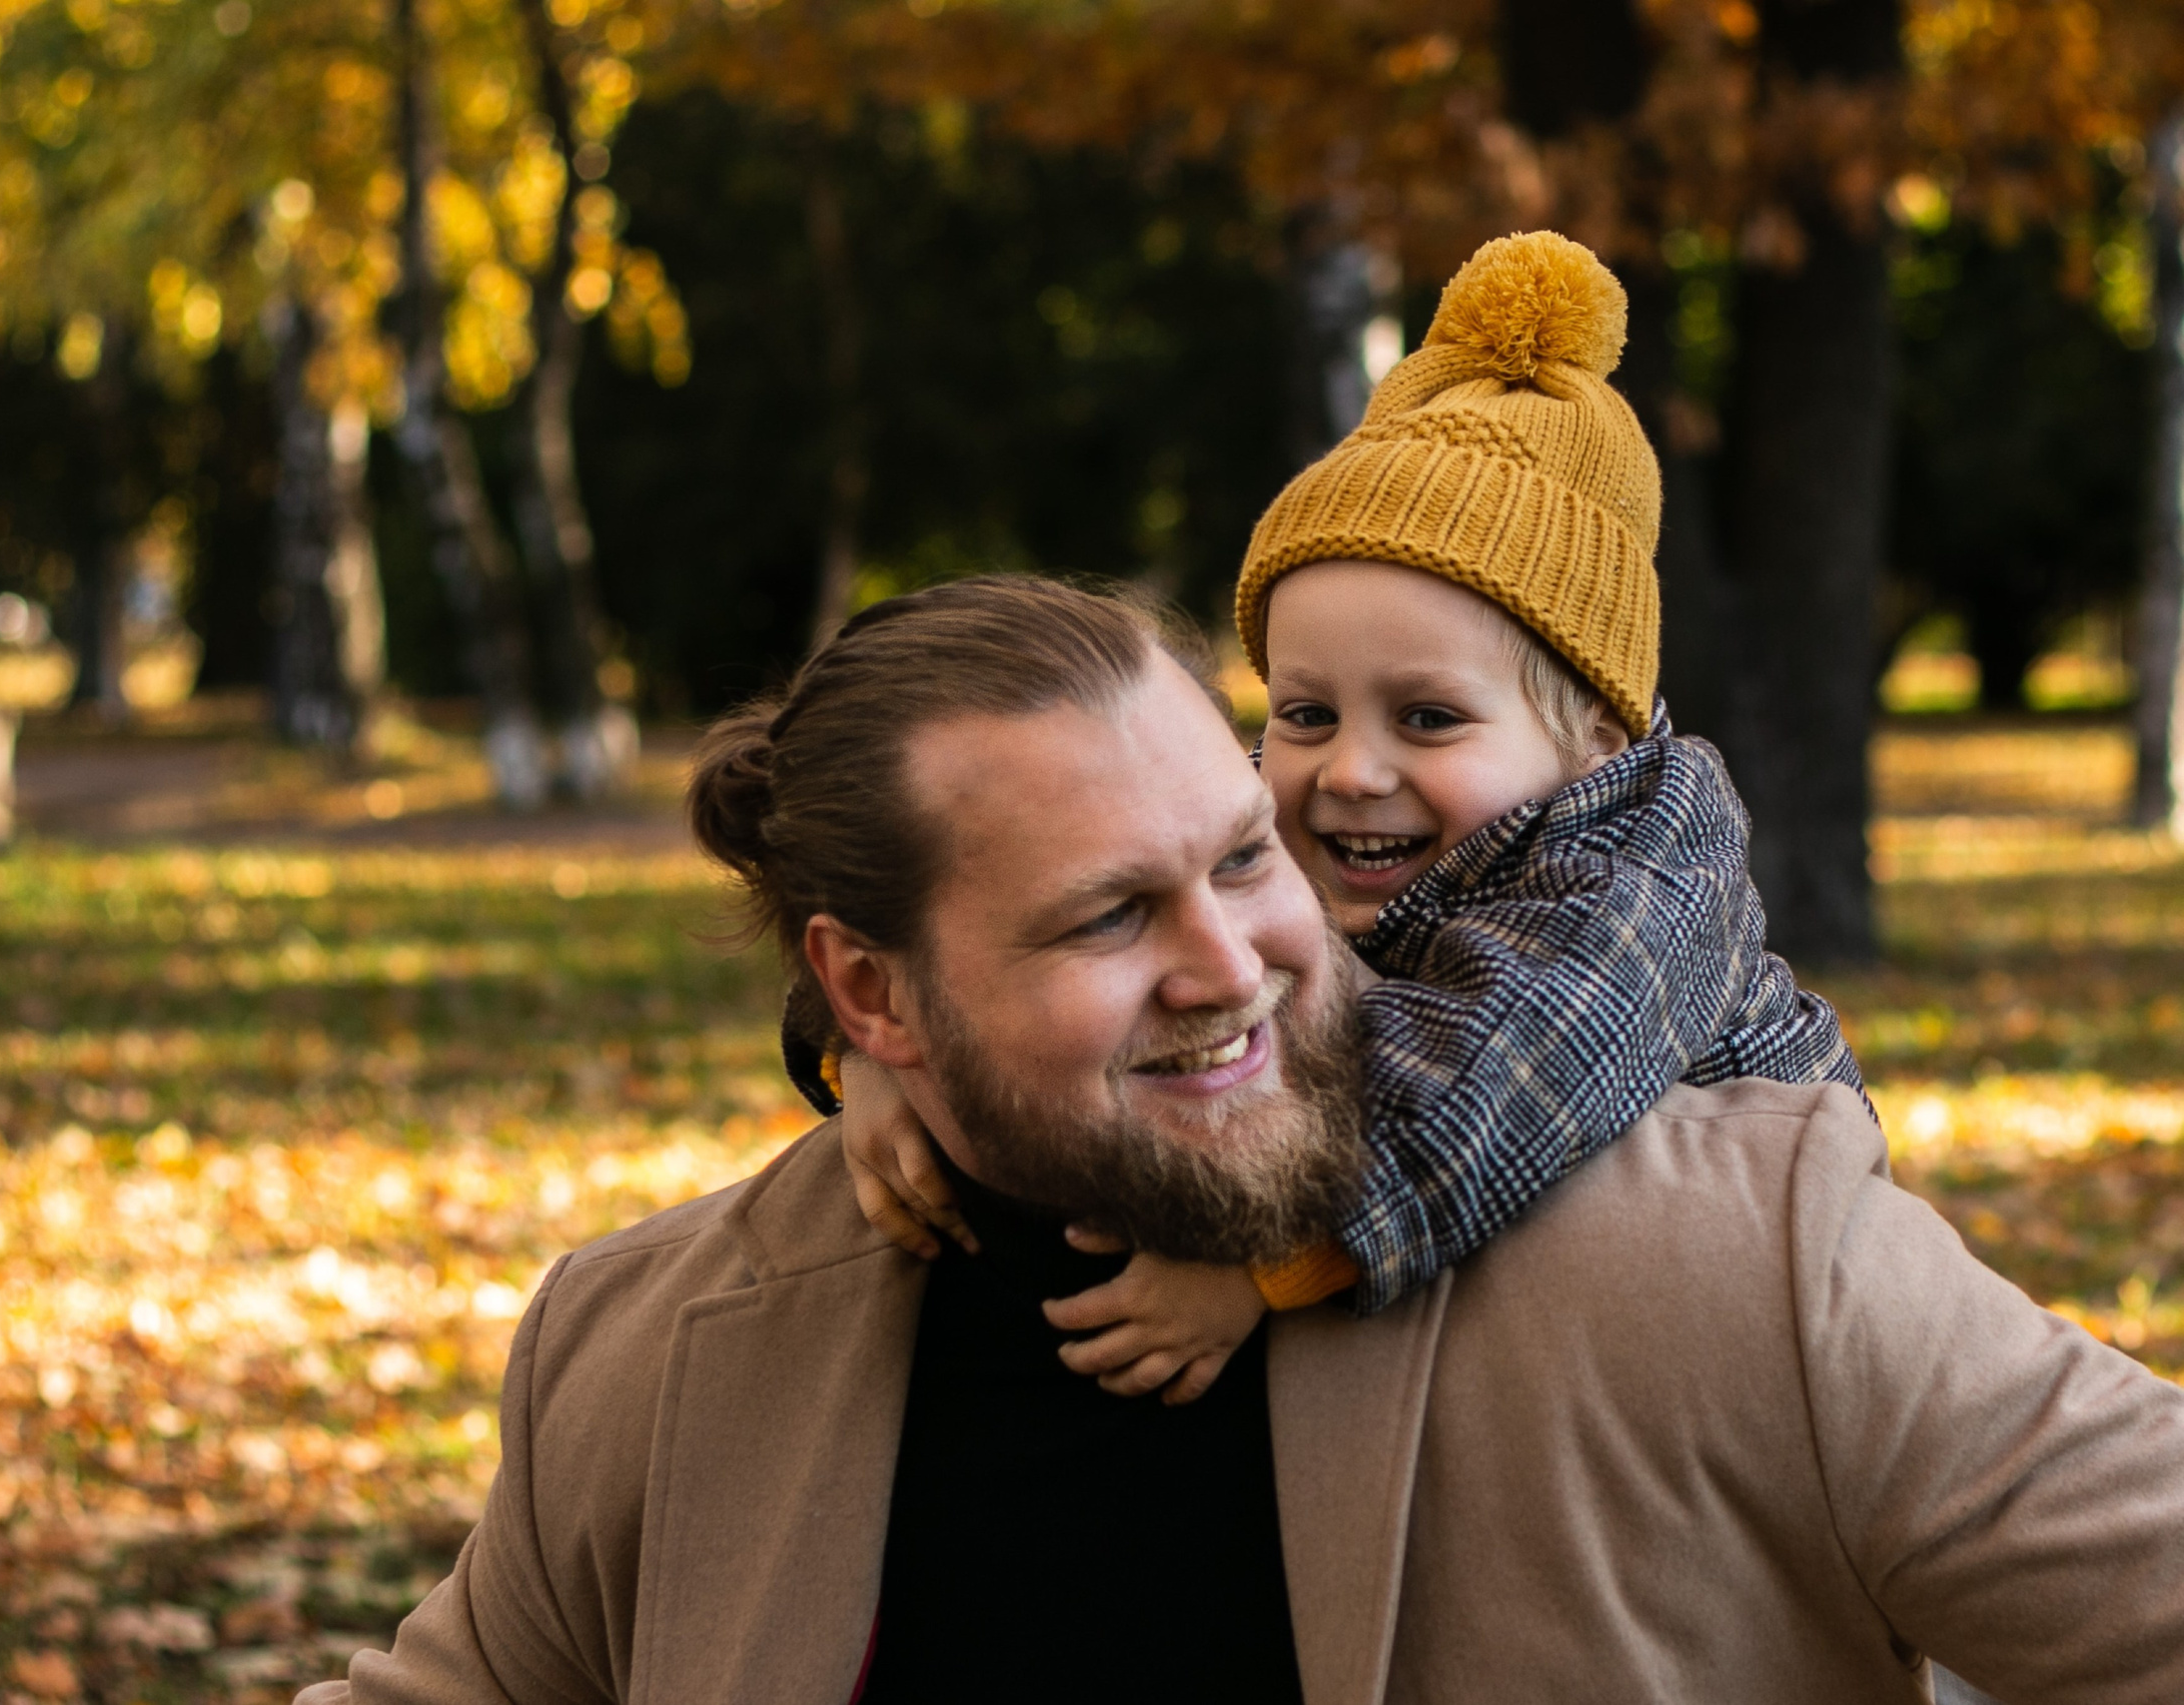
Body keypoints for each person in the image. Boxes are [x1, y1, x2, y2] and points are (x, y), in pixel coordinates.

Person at [296, 576, 2184, 1705]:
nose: (1238, 966)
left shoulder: (1739, 1258)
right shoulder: (656, 1348)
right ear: (867, 995)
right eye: (1112, 915)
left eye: (1242, 859)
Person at [816, 231, 1861, 1402]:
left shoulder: (1641, 881)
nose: (1349, 771)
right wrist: (879, 1052)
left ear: (1594, 743)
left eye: (1427, 719)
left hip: (1738, 1311)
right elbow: (1016, 895)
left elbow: (1513, 1075)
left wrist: (1270, 1259)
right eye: (1307, 712)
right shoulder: (1290, 813)